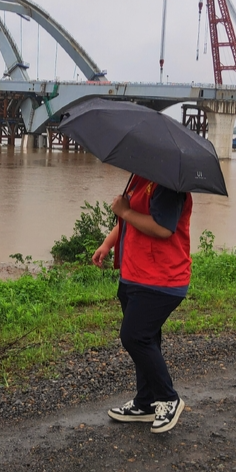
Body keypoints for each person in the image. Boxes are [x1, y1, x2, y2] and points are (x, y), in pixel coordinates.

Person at [92, 174, 192, 434]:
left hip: (162, 279)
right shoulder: (140, 178)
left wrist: (124, 211)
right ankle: (146, 402)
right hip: (135, 275)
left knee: (134, 337)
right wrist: (107, 244)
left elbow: (162, 228)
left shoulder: (170, 184)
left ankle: (168, 398)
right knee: (147, 339)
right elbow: (130, 219)